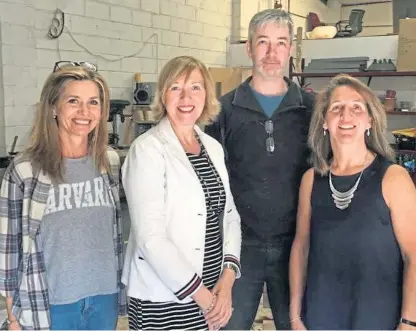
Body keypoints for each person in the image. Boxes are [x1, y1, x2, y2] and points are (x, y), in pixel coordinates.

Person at [205, 9, 314, 330]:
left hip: (297, 246)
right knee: (227, 325)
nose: (271, 52)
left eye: (281, 43)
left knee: (298, 325)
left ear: (291, 49)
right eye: (263, 42)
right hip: (239, 249)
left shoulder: (312, 110)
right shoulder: (221, 111)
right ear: (249, 48)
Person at [0, 63, 127, 330]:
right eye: (73, 101)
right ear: (54, 108)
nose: (84, 112)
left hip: (104, 298)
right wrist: (12, 317)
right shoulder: (25, 171)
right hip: (50, 304)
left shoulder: (109, 163)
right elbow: (8, 250)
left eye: (93, 102)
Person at [122, 55, 242, 330]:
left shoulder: (212, 147)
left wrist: (227, 281)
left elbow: (230, 216)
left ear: (206, 95)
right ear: (163, 95)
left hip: (213, 292)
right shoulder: (147, 150)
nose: (186, 97)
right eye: (176, 87)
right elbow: (150, 239)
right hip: (165, 299)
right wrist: (204, 299)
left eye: (195, 87)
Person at [289, 74, 416, 330]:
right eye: (336, 108)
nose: (346, 116)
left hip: (378, 318)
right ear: (325, 121)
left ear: (370, 120)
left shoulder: (393, 178)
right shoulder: (311, 181)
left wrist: (409, 321)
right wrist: (295, 316)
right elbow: (301, 248)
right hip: (321, 316)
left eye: (356, 107)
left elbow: (413, 254)